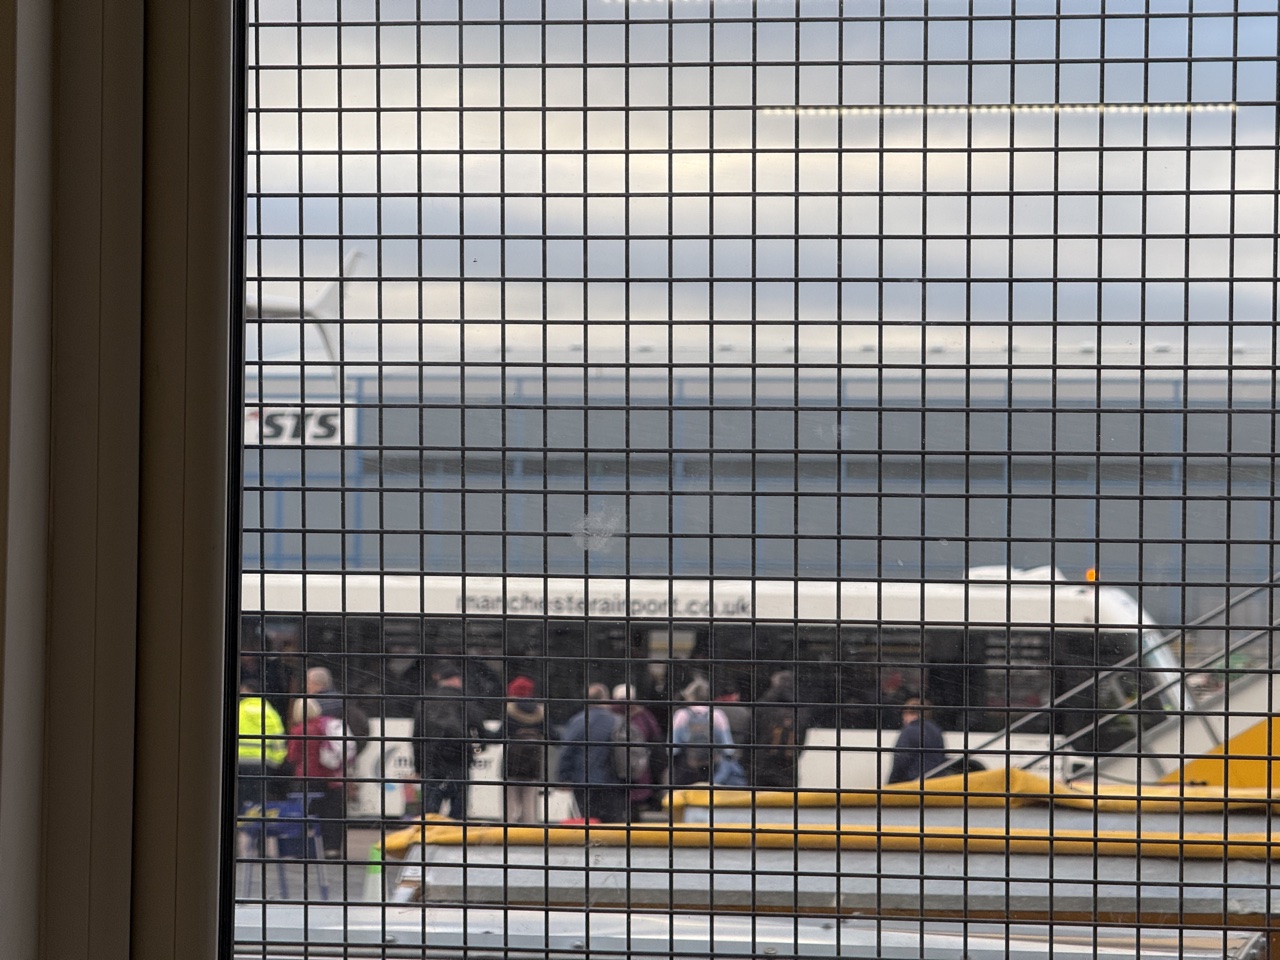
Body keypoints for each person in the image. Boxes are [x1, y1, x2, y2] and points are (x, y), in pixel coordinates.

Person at [414, 663, 490, 819]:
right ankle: (455, 838)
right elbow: (480, 730)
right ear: (456, 680)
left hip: (433, 760)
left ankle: (428, 837)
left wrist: (418, 766)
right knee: (458, 808)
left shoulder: (425, 701)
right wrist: (478, 749)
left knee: (430, 807)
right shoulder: (465, 701)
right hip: (459, 759)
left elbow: (416, 737)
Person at [286, 698, 355, 858]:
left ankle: (302, 848)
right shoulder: (327, 725)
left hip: (307, 778)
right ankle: (332, 849)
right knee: (332, 814)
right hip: (332, 778)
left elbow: (292, 756)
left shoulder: (299, 730)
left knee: (304, 814)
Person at [556, 683, 627, 823]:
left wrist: (563, 777)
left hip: (583, 781)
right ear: (605, 699)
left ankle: (593, 843)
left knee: (589, 820)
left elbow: (567, 750)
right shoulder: (617, 721)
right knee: (612, 823)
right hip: (611, 781)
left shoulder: (578, 721)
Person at [752, 670, 815, 789]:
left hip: (762, 768)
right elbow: (801, 744)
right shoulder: (801, 711)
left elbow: (750, 738)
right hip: (788, 770)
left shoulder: (763, 708)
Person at [668, 678, 735, 786]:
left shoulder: (681, 715)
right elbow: (727, 744)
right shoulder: (717, 714)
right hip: (712, 763)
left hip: (688, 764)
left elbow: (674, 745)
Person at [611, 683, 662, 820]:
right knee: (634, 807)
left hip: (613, 770)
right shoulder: (643, 715)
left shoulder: (610, 715)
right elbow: (656, 739)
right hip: (639, 769)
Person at [237, 679, 288, 811]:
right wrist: (277, 761)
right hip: (261, 762)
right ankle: (254, 826)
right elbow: (278, 738)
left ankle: (239, 826)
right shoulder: (268, 711)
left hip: (238, 762)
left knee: (238, 797)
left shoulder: (238, 710)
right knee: (257, 800)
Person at [502, 676, 546, 823]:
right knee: (529, 797)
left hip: (513, 759)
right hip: (533, 760)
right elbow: (554, 735)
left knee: (511, 795)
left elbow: (499, 734)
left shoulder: (510, 710)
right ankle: (530, 826)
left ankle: (509, 824)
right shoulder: (539, 711)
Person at [887, 698, 949, 785]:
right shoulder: (936, 730)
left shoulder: (909, 731)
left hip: (913, 782)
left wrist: (891, 783)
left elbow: (901, 760)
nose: (902, 717)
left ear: (911, 713)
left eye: (904, 713)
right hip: (935, 781)